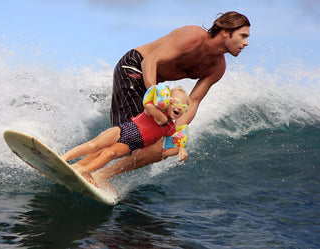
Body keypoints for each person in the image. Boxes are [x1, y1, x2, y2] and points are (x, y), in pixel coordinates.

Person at [90, 11, 250, 186]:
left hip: (155, 85)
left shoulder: (217, 68)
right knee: (130, 134)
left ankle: (101, 175)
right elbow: (150, 61)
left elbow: (193, 101)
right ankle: (82, 168)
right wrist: (153, 98)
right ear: (226, 32)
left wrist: (175, 131)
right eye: (242, 36)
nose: (246, 43)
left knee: (156, 151)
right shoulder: (193, 36)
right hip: (134, 68)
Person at [61, 86, 190, 188]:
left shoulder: (171, 128)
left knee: (108, 153)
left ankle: (84, 171)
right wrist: (161, 104)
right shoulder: (155, 110)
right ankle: (64, 158)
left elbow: (164, 151)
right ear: (167, 100)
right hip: (123, 130)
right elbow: (148, 106)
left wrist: (180, 149)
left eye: (184, 107)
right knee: (94, 145)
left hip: (131, 144)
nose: (180, 107)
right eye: (177, 102)